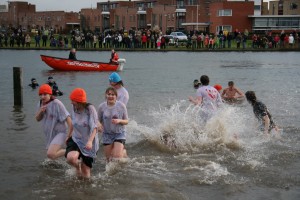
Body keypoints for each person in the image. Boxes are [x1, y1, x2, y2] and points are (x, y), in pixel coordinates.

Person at [65, 88, 99, 178]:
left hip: (89, 142)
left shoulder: (90, 110)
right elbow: (72, 123)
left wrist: (90, 141)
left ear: (79, 101)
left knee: (86, 174)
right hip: (76, 139)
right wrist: (68, 135)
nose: (71, 102)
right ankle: (77, 167)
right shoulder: (74, 108)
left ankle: (86, 190)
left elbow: (95, 128)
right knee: (70, 158)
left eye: (73, 100)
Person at [35, 84, 72, 160]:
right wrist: (41, 111)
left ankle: (72, 151)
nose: (42, 97)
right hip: (50, 134)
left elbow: (68, 118)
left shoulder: (56, 103)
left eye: (45, 94)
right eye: (41, 95)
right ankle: (67, 163)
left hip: (61, 132)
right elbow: (37, 119)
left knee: (50, 154)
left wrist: (69, 135)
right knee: (53, 159)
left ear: (50, 94)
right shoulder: (40, 103)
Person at [97, 87, 128, 162]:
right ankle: (122, 152)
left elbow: (126, 121)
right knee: (109, 160)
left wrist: (119, 120)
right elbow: (97, 120)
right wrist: (99, 125)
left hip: (119, 133)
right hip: (107, 134)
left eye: (113, 94)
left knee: (117, 157)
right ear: (106, 95)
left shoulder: (121, 106)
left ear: (116, 96)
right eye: (109, 94)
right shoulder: (102, 107)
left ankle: (122, 152)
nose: (110, 96)